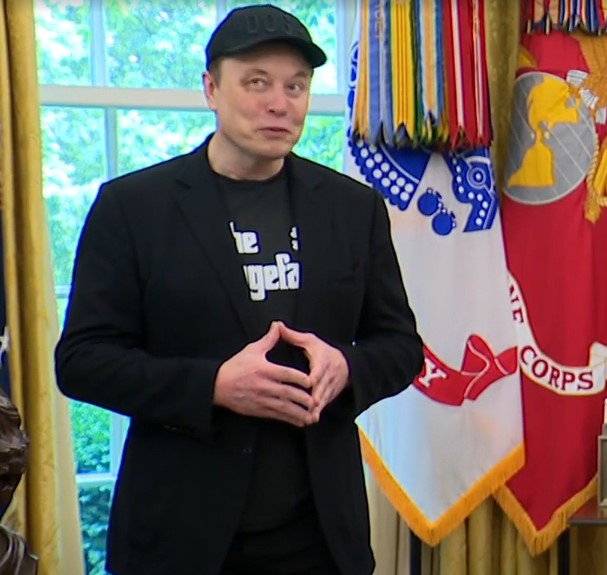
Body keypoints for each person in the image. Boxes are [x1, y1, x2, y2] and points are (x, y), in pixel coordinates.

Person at [53, 5, 424, 575]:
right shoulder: (132, 208)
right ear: (211, 88)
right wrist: (213, 386)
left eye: (295, 86)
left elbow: (400, 348)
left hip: (321, 537)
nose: (280, 103)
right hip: (181, 536)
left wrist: (347, 367)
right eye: (257, 83)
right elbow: (82, 362)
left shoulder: (353, 209)